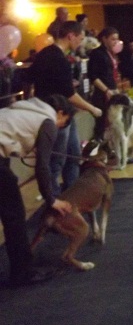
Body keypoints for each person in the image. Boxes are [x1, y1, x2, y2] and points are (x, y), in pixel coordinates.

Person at [0, 94, 74, 287]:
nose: (60, 128)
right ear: (60, 113)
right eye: (64, 123)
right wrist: (51, 199)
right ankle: (22, 273)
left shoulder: (26, 108)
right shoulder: (47, 121)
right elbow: (42, 167)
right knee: (14, 215)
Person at [29, 21, 102, 195]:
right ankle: (54, 198)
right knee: (58, 160)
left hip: (60, 113)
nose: (81, 43)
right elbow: (69, 94)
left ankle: (72, 193)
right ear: (71, 36)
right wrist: (92, 109)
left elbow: (30, 79)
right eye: (80, 38)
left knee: (73, 155)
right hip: (57, 115)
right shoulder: (58, 59)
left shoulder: (44, 54)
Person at [88, 26, 121, 140]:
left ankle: (109, 147)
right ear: (104, 39)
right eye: (112, 39)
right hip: (102, 94)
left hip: (112, 91)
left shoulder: (111, 53)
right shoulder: (97, 53)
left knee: (113, 124)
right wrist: (106, 90)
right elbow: (93, 76)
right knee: (101, 125)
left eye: (117, 39)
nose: (115, 42)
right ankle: (98, 147)